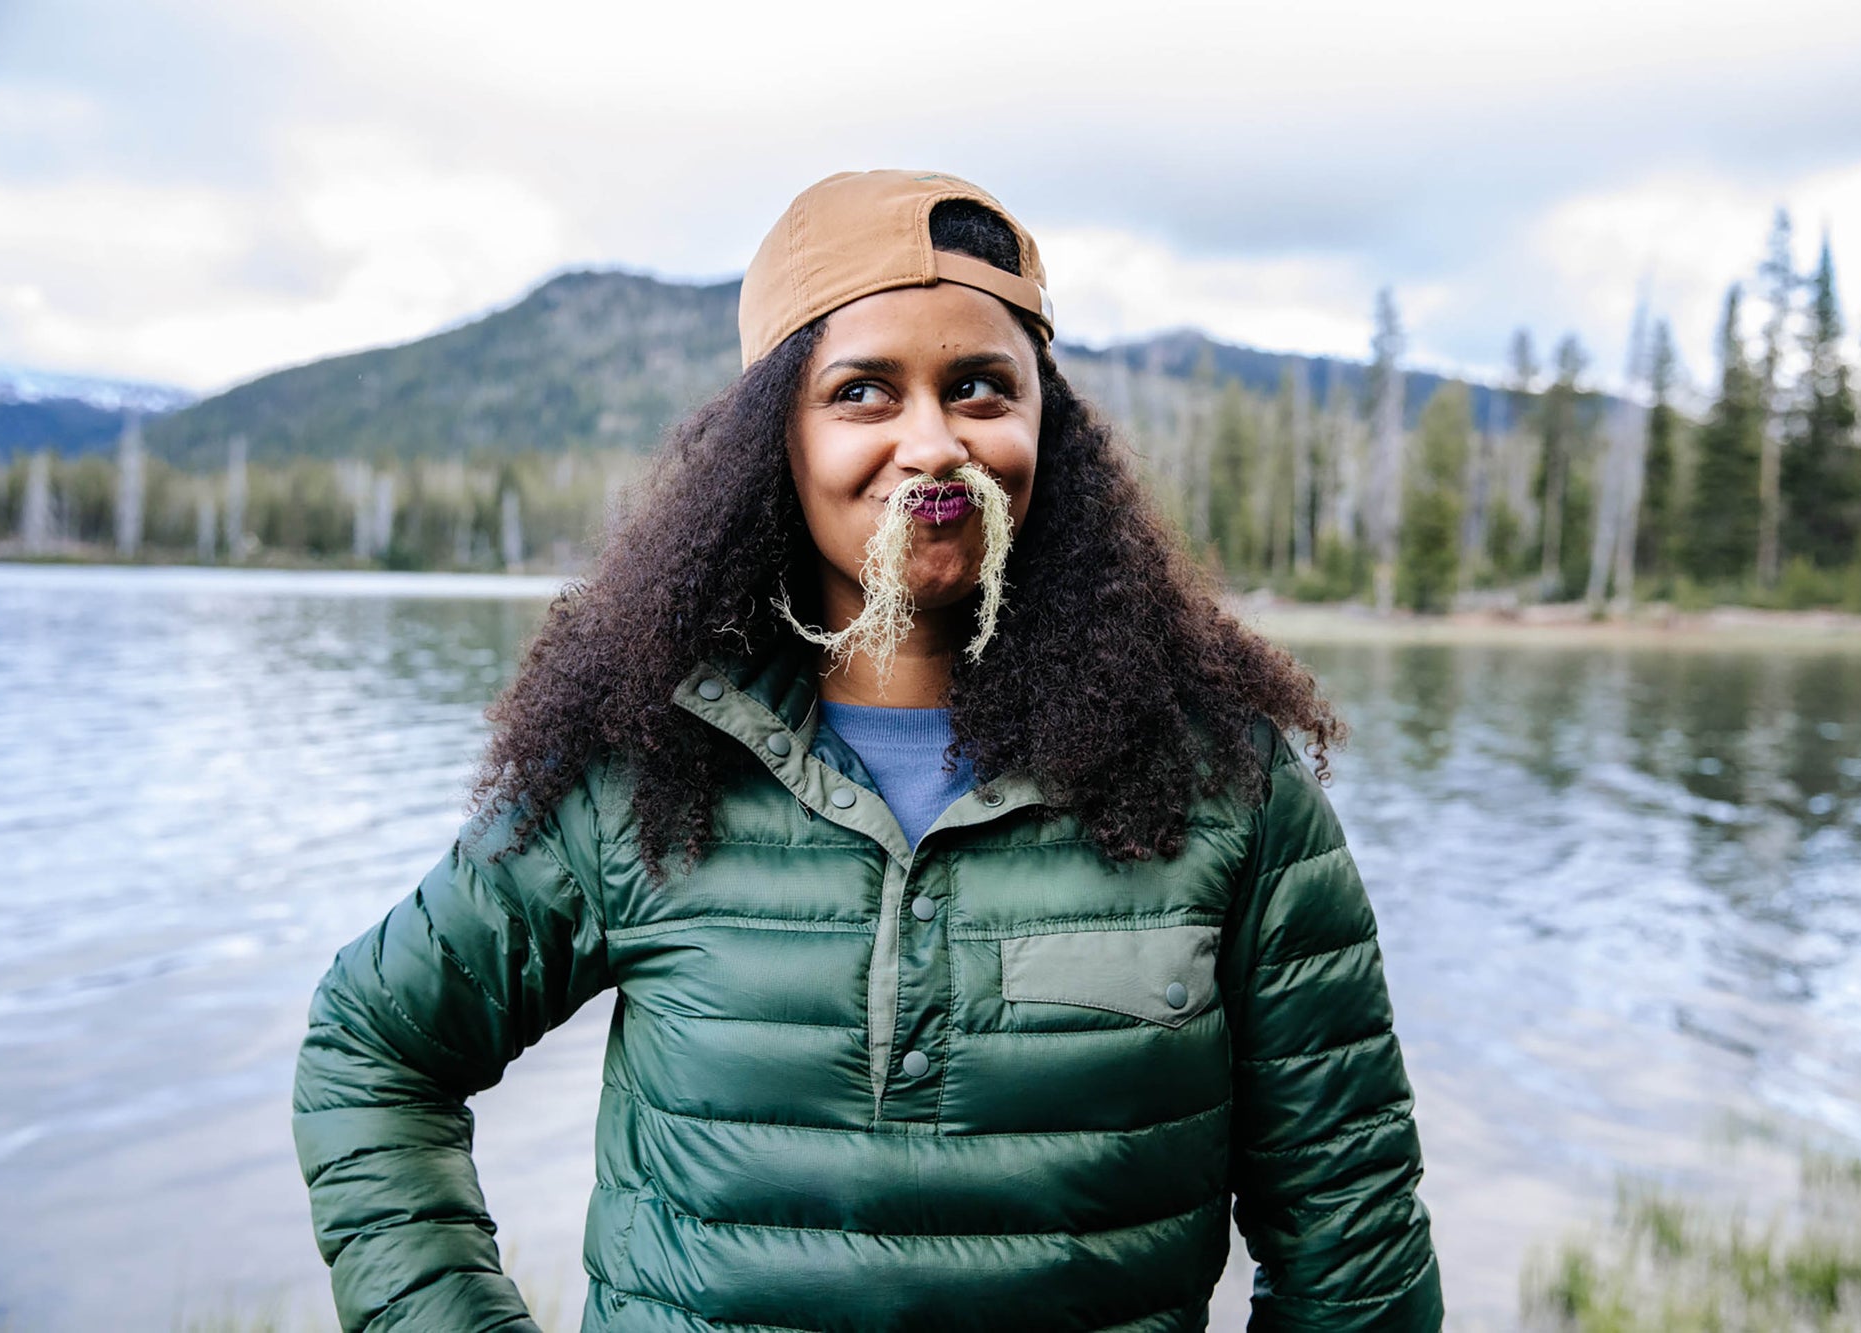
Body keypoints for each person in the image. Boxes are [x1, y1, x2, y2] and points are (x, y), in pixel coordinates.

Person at [292, 169, 1442, 1332]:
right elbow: (372, 1051)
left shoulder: (1225, 785)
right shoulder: (644, 764)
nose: (932, 443)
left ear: (1047, 427)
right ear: (774, 441)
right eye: (862, 392)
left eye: (981, 387)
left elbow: (1353, 1244)